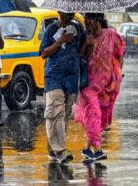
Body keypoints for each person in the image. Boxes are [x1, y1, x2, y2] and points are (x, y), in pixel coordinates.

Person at [75, 13, 124, 161]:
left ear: (98, 21)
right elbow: (78, 57)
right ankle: (97, 149)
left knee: (98, 118)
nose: (88, 24)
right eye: (86, 21)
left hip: (107, 84)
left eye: (90, 21)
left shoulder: (111, 35)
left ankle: (86, 148)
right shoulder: (84, 37)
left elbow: (119, 53)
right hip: (88, 84)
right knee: (93, 113)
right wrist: (86, 45)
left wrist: (118, 73)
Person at [39, 12, 81, 163]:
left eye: (70, 13)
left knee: (64, 114)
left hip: (71, 77)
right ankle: (61, 151)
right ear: (59, 12)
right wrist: (60, 41)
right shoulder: (51, 29)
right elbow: (43, 53)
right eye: (65, 13)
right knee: (55, 112)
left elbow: (81, 52)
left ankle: (53, 148)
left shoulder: (78, 28)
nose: (68, 16)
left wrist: (89, 44)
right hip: (53, 76)